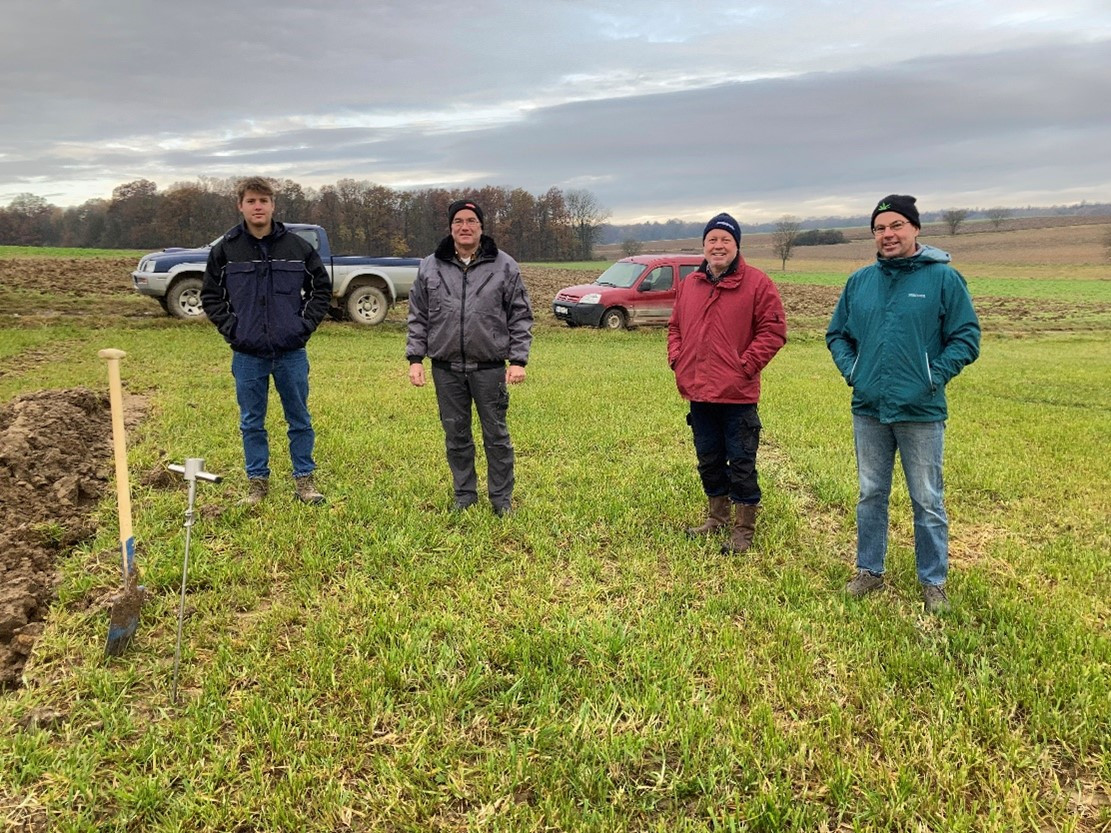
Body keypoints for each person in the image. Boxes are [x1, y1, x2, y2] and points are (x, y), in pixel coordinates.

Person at [826, 194, 980, 613]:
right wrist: (854, 372)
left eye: (896, 226)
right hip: (869, 408)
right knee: (870, 493)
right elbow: (837, 334)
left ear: (915, 229)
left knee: (927, 498)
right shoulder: (859, 282)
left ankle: (933, 581)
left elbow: (966, 337)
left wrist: (933, 377)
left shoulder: (944, 280)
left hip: (921, 412)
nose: (887, 234)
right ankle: (869, 571)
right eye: (880, 228)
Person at [200, 176, 332, 506]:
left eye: (263, 200)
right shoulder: (226, 249)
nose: (257, 206)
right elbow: (211, 295)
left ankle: (305, 481)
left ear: (273, 205)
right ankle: (257, 484)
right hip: (248, 354)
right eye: (251, 201)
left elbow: (321, 289)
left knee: (299, 418)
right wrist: (233, 329)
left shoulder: (298, 247)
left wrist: (303, 326)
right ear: (240, 206)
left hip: (291, 352)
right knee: (251, 422)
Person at [668, 212, 787, 553]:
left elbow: (773, 332)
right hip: (698, 390)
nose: (718, 246)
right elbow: (675, 327)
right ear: (704, 246)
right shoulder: (691, 284)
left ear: (736, 246)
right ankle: (716, 518)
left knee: (742, 460)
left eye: (725, 240)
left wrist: (744, 366)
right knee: (708, 457)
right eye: (712, 240)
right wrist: (677, 359)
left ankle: (743, 529)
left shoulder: (758, 283)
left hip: (737, 395)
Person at [406, 199, 534, 516]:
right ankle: (465, 496)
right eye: (459, 221)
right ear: (450, 228)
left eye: (471, 221)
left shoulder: (504, 266)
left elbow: (520, 316)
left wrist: (518, 360)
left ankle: (501, 500)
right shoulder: (430, 266)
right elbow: (418, 315)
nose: (465, 227)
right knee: (456, 436)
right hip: (446, 368)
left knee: (497, 436)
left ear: (481, 227)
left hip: (489, 367)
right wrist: (415, 359)